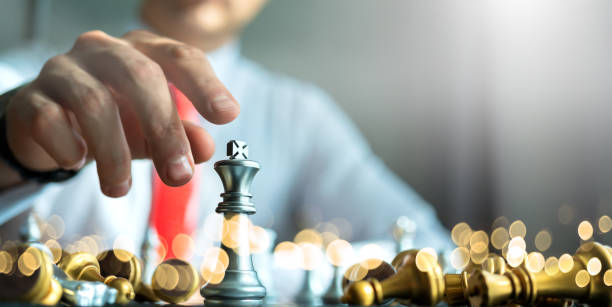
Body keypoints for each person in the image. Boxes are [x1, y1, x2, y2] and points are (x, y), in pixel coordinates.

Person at [0, 0, 451, 260]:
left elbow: (432, 252)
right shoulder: (23, 78)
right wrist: (10, 148)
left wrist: (267, 276)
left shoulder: (302, 115)